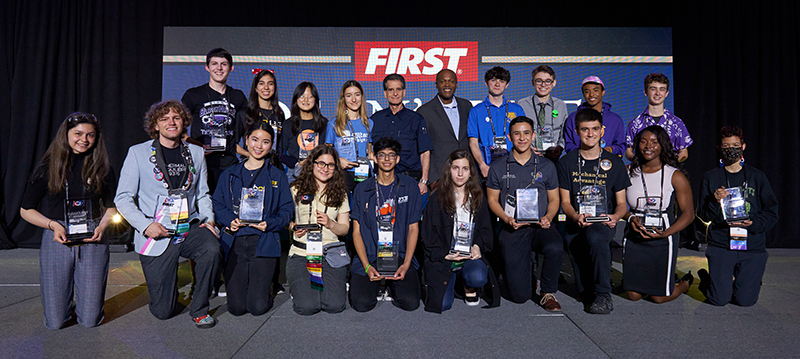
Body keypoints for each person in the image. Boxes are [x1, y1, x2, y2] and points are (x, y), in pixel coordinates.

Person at [115, 100, 221, 328]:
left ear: (184, 122)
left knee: (211, 248)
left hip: (188, 226)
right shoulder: (138, 153)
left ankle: (200, 308)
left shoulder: (197, 152)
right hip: (156, 232)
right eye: (164, 119)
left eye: (176, 118)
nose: (171, 123)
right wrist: (144, 226)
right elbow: (122, 198)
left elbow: (203, 194)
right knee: (163, 311)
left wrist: (209, 220)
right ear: (155, 125)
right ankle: (166, 294)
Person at [20, 113, 117, 330]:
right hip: (58, 235)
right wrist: (52, 225)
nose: (84, 139)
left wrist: (103, 225)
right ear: (66, 135)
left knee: (90, 321)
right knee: (55, 323)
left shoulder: (103, 168)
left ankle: (84, 304)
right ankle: (63, 303)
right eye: (78, 134)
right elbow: (26, 211)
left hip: (93, 236)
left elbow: (111, 208)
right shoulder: (48, 167)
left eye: (90, 135)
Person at [211, 121, 293, 316]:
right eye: (255, 140)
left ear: (271, 145)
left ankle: (264, 289)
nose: (259, 146)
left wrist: (270, 223)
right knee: (236, 308)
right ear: (246, 141)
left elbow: (287, 209)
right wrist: (229, 219)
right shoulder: (229, 174)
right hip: (235, 241)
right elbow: (217, 203)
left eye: (265, 142)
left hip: (263, 242)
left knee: (257, 308)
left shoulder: (277, 176)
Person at [557, 108, 630, 314]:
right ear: (577, 131)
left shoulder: (615, 163)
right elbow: (564, 202)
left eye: (595, 129)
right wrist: (575, 216)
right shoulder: (566, 162)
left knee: (596, 237)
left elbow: (622, 204)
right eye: (585, 129)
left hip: (603, 222)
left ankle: (604, 293)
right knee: (584, 293)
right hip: (576, 222)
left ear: (602, 130)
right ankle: (595, 289)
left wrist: (615, 217)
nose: (590, 134)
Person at [487, 116, 564, 311]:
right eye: (517, 134)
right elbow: (492, 200)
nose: (522, 138)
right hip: (513, 227)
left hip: (540, 225)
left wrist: (549, 217)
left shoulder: (546, 165)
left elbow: (554, 200)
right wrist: (506, 219)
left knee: (554, 246)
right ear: (509, 136)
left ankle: (548, 292)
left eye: (526, 133)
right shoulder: (497, 167)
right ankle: (524, 275)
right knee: (520, 296)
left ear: (534, 135)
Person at [697, 126, 778, 306]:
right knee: (719, 300)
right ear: (719, 148)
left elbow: (772, 212)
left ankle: (746, 281)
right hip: (722, 245)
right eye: (726, 146)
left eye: (735, 145)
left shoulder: (758, 177)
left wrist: (754, 222)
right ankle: (710, 280)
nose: (731, 149)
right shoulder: (710, 177)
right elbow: (702, 214)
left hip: (752, 245)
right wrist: (714, 201)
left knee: (745, 301)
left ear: (743, 146)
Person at [622, 125, 694, 303]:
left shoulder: (674, 175)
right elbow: (619, 206)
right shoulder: (627, 172)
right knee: (633, 296)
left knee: (659, 297)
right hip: (635, 233)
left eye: (654, 142)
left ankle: (684, 283)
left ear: (662, 145)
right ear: (637, 145)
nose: (648, 146)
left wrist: (666, 233)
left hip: (663, 235)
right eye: (644, 142)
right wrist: (630, 217)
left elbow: (688, 214)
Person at [349, 137, 422, 312]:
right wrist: (366, 266)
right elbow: (356, 232)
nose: (387, 159)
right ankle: (378, 283)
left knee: (411, 303)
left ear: (397, 159)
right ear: (375, 158)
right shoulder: (362, 189)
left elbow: (413, 228)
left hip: (399, 256)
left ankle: (389, 285)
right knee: (361, 304)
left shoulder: (410, 186)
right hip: (371, 256)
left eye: (391, 155)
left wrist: (406, 263)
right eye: (382, 155)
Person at [421, 149, 497, 313]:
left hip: (469, 257)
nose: (460, 173)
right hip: (445, 258)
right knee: (442, 305)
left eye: (465, 168)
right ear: (449, 170)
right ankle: (452, 281)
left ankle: (468, 285)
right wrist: (444, 254)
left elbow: (486, 232)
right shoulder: (436, 198)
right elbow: (427, 236)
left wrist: (478, 246)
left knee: (477, 276)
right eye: (456, 168)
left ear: (471, 172)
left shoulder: (479, 198)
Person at [286, 146, 351, 315]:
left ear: (335, 168)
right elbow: (284, 218)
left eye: (330, 165)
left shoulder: (341, 193)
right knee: (307, 307)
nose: (325, 168)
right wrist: (293, 227)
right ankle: (301, 290)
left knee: (334, 306)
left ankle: (334, 285)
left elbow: (344, 229)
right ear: (312, 164)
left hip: (330, 253)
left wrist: (330, 224)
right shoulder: (295, 188)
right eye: (321, 163)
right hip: (301, 252)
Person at [180, 48, 248, 193]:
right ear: (207, 67)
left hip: (229, 162)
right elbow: (178, 128)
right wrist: (197, 145)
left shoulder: (238, 96)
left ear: (231, 68)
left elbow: (247, 129)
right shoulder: (193, 94)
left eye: (223, 64)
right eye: (214, 64)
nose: (219, 68)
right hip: (202, 162)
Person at [370, 74, 433, 195]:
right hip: (382, 182)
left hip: (410, 180)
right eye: (391, 90)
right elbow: (369, 150)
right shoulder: (375, 120)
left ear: (404, 92)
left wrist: (424, 180)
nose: (395, 93)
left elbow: (425, 152)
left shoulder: (416, 119)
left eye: (398, 89)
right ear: (385, 93)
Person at [416, 69, 473, 186]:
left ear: (456, 84)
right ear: (436, 85)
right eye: (443, 81)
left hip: (466, 177)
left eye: (451, 81)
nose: (447, 85)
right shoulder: (425, 111)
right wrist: (432, 179)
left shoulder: (466, 106)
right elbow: (424, 148)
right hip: (440, 179)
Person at [468, 66, 526, 178]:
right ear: (486, 83)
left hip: (513, 168)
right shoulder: (476, 111)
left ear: (507, 84)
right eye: (493, 80)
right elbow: (473, 142)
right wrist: (482, 165)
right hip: (486, 169)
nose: (497, 84)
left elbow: (523, 140)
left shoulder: (517, 109)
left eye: (502, 81)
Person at [624, 74, 692, 162]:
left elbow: (683, 152)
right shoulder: (635, 123)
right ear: (645, 92)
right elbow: (628, 151)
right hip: (643, 172)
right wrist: (640, 163)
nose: (657, 93)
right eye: (653, 89)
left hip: (669, 172)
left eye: (662, 89)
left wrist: (670, 165)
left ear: (667, 93)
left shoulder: (677, 123)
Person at [325, 80, 374, 192]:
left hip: (364, 173)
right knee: (343, 208)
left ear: (362, 97)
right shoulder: (334, 124)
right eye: (349, 95)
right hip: (342, 174)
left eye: (357, 95)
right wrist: (338, 160)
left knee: (364, 208)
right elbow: (327, 151)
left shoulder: (369, 123)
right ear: (344, 99)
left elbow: (370, 151)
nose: (354, 99)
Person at [517, 65, 570, 163]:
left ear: (554, 83)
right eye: (539, 81)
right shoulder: (522, 104)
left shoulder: (560, 105)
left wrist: (560, 147)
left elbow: (564, 132)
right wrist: (526, 147)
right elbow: (515, 131)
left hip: (554, 158)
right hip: (528, 157)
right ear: (533, 83)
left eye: (548, 81)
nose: (543, 84)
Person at [563, 76, 626, 157]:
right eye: (587, 91)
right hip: (579, 164)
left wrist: (608, 150)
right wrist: (585, 153)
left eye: (595, 90)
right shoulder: (573, 118)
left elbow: (621, 146)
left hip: (606, 164)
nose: (591, 94)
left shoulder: (615, 119)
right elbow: (568, 144)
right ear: (583, 94)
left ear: (603, 92)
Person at [280, 82, 328, 182]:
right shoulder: (288, 124)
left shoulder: (324, 124)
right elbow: (281, 152)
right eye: (302, 96)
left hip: (319, 172)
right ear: (296, 99)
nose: (306, 100)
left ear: (316, 99)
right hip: (294, 173)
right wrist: (296, 164)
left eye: (310, 96)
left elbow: (328, 150)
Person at [240, 69, 286, 156]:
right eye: (261, 83)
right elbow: (232, 143)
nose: (266, 87)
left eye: (270, 83)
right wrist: (251, 156)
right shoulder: (246, 113)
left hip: (273, 165)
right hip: (252, 165)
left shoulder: (279, 114)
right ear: (256, 88)